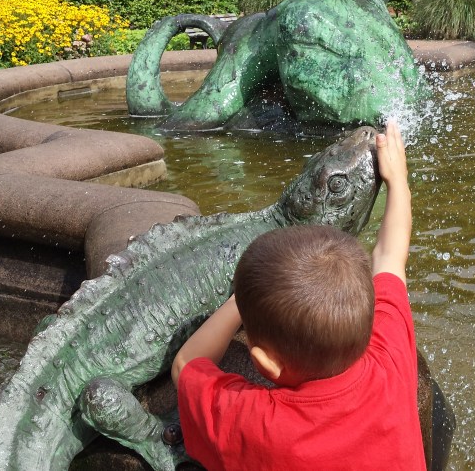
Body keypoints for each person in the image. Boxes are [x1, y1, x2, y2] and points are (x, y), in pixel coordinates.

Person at [171, 121, 424, 470]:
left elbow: (186, 366)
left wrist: (238, 303)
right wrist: (398, 184)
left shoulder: (255, 424)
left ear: (264, 362)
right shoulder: (390, 362)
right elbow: (391, 258)